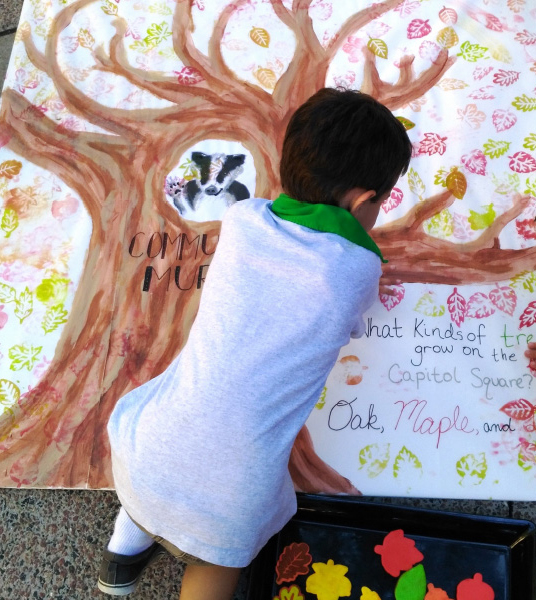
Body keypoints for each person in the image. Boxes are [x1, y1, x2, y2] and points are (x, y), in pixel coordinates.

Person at [97, 87, 413, 599]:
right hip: (234, 489)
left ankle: (121, 560)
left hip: (145, 446)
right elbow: (351, 324)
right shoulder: (358, 267)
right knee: (215, 563)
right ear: (362, 201)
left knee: (149, 491)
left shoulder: (242, 221)